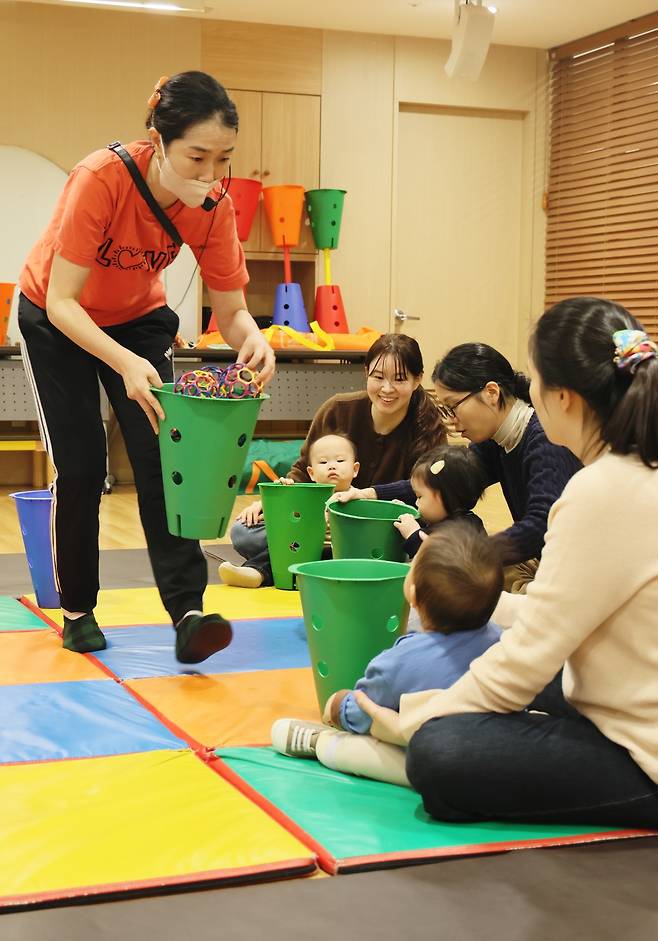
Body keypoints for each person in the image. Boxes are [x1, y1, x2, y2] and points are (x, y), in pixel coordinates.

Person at [355, 297, 658, 827]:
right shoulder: (625, 468)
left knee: (439, 751)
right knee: (479, 649)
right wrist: (464, 596)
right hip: (621, 683)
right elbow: (553, 613)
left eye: (534, 380)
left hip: (642, 751)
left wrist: (421, 719)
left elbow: (528, 656)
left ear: (562, 396)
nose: (529, 392)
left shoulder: (601, 488)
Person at [17, 71, 274, 661]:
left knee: (165, 458)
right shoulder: (100, 180)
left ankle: (187, 611)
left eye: (223, 159)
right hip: (59, 317)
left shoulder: (213, 207)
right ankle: (78, 609)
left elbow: (231, 309)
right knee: (81, 467)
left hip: (138, 317)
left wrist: (252, 337)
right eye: (196, 156)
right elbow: (62, 301)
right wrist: (125, 363)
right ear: (157, 140)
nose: (210, 175)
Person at [335, 343, 581, 592]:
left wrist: (464, 555)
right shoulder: (495, 440)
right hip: (545, 559)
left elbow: (542, 525)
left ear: (491, 393)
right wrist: (370, 494)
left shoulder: (546, 439)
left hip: (575, 569)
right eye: (445, 409)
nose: (451, 420)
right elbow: (442, 481)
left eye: (453, 406)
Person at [271, 522, 502, 787]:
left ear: (413, 595)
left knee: (356, 749)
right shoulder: (502, 642)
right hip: (493, 752)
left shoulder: (401, 660)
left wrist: (338, 707)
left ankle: (321, 743)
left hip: (436, 758)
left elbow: (364, 712)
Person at [227, 333, 446, 580]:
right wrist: (276, 504)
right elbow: (302, 470)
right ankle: (344, 559)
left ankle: (286, 564)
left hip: (385, 527)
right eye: (378, 377)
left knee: (444, 536)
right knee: (244, 532)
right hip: (323, 523)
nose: (387, 389)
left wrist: (372, 497)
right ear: (366, 373)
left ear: (417, 380)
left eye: (399, 379)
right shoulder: (337, 410)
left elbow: (430, 488)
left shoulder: (427, 424)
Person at [218, 432, 360, 588]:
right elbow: (288, 519)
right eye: (323, 462)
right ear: (311, 473)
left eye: (340, 460)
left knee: (332, 556)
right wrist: (285, 493)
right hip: (301, 548)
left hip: (337, 555)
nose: (332, 465)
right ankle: (254, 572)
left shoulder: (358, 497)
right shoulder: (305, 494)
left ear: (355, 469)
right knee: (279, 553)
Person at [393, 443, 488, 558]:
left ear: (444, 496)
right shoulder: (456, 520)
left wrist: (412, 533)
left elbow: (432, 559)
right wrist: (407, 513)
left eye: (419, 496)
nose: (417, 502)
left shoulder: (460, 531)